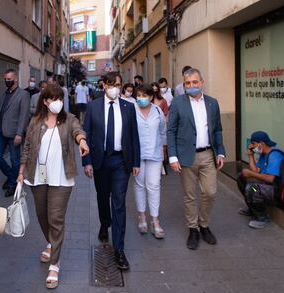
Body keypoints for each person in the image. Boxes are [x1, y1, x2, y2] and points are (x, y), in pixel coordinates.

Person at [18, 84, 89, 289]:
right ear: (45, 101)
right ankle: (51, 243)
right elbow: (28, 147)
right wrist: (21, 171)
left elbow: (78, 131)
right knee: (42, 216)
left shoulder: (69, 119)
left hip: (61, 178)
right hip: (37, 177)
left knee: (55, 218)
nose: (57, 101)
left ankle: (54, 265)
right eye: (53, 98)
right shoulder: (35, 121)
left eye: (60, 97)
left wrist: (82, 141)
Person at [83, 71, 140, 270]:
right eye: (113, 84)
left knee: (119, 203)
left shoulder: (128, 107)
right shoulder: (93, 107)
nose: (117, 88)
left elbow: (134, 136)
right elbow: (87, 135)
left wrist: (136, 162)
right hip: (100, 160)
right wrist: (87, 161)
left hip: (120, 162)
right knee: (102, 197)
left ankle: (119, 250)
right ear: (105, 85)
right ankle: (104, 222)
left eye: (119, 84)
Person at [167, 68, 225, 250]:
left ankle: (204, 224)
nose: (191, 86)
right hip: (186, 156)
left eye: (194, 82)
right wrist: (173, 156)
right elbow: (171, 130)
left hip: (208, 154)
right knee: (189, 195)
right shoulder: (177, 103)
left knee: (210, 192)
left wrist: (221, 152)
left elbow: (217, 129)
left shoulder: (212, 103)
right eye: (187, 83)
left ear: (201, 83)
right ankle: (193, 229)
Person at [0, 69, 30, 197]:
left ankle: (13, 184)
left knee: (15, 159)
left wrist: (19, 133)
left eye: (9, 79)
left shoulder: (23, 94)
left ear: (16, 79)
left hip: (14, 134)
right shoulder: (3, 94)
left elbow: (24, 115)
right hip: (1, 132)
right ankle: (11, 175)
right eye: (5, 79)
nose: (7, 81)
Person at [133, 84, 166, 238]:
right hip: (137, 156)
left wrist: (164, 151)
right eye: (138, 95)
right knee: (140, 185)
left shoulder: (158, 110)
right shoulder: (131, 110)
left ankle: (155, 220)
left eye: (144, 95)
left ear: (151, 97)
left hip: (154, 154)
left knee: (154, 185)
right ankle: (142, 216)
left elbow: (162, 132)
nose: (141, 99)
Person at [237, 131, 284, 229]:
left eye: (253, 144)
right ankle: (252, 208)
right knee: (241, 178)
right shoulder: (264, 154)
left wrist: (250, 174)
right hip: (267, 187)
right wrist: (250, 155)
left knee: (252, 188)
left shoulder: (274, 156)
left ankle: (262, 218)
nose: (253, 147)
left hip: (276, 191)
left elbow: (270, 178)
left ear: (261, 143)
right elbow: (256, 171)